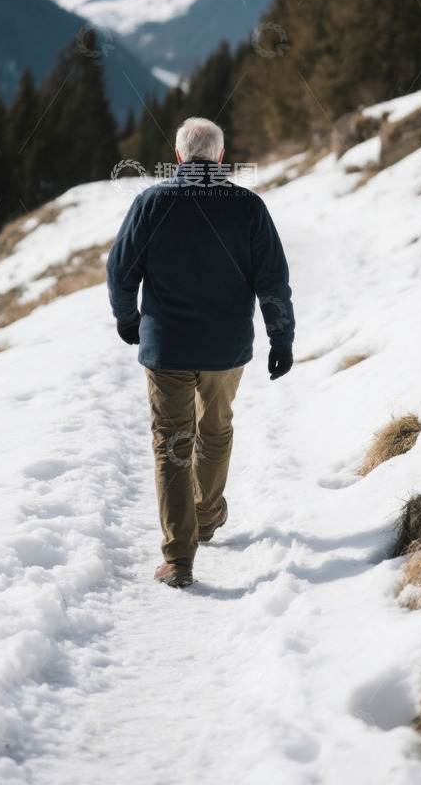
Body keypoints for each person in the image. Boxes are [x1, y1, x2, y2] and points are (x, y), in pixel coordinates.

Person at [106, 117, 295, 588]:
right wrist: (281, 336)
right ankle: (208, 516)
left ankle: (178, 559)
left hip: (167, 346)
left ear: (177, 159)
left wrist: (128, 318)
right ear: (220, 158)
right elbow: (272, 279)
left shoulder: (152, 203)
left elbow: (120, 270)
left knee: (172, 446)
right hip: (226, 349)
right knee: (215, 431)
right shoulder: (248, 207)